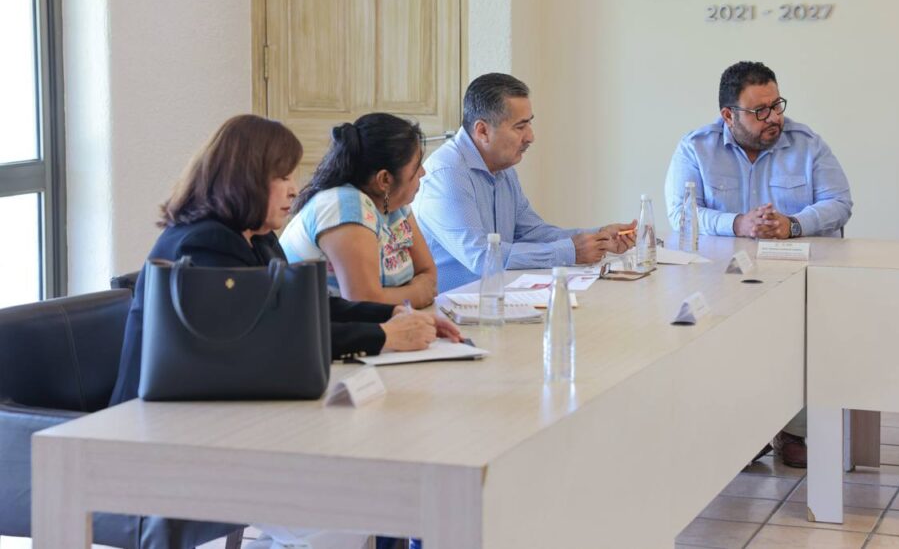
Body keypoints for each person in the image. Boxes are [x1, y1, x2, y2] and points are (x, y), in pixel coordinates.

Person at [110, 115, 456, 407]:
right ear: (245, 178)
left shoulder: (256, 235)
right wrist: (381, 335)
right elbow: (272, 336)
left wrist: (391, 315)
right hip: (153, 419)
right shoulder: (204, 243)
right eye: (284, 177)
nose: (295, 189)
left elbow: (303, 306)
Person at [663, 61, 853, 467]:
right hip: (723, 277)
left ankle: (794, 431)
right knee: (707, 327)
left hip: (796, 273)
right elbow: (681, 214)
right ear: (728, 115)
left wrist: (793, 224)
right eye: (760, 111)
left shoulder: (807, 143)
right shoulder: (695, 148)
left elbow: (839, 203)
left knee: (807, 327)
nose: (774, 118)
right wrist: (738, 223)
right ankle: (739, 431)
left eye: (777, 105)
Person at [414, 72, 637, 293]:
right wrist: (570, 252)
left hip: (498, 299)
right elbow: (482, 257)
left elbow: (533, 232)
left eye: (529, 124)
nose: (530, 136)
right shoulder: (447, 174)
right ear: (482, 131)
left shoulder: (503, 168)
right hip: (451, 308)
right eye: (520, 127)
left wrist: (599, 237)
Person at [280, 114, 438, 309]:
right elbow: (364, 302)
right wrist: (416, 294)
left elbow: (428, 273)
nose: (423, 172)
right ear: (385, 180)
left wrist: (404, 295)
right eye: (416, 166)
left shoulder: (393, 203)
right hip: (313, 325)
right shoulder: (345, 207)